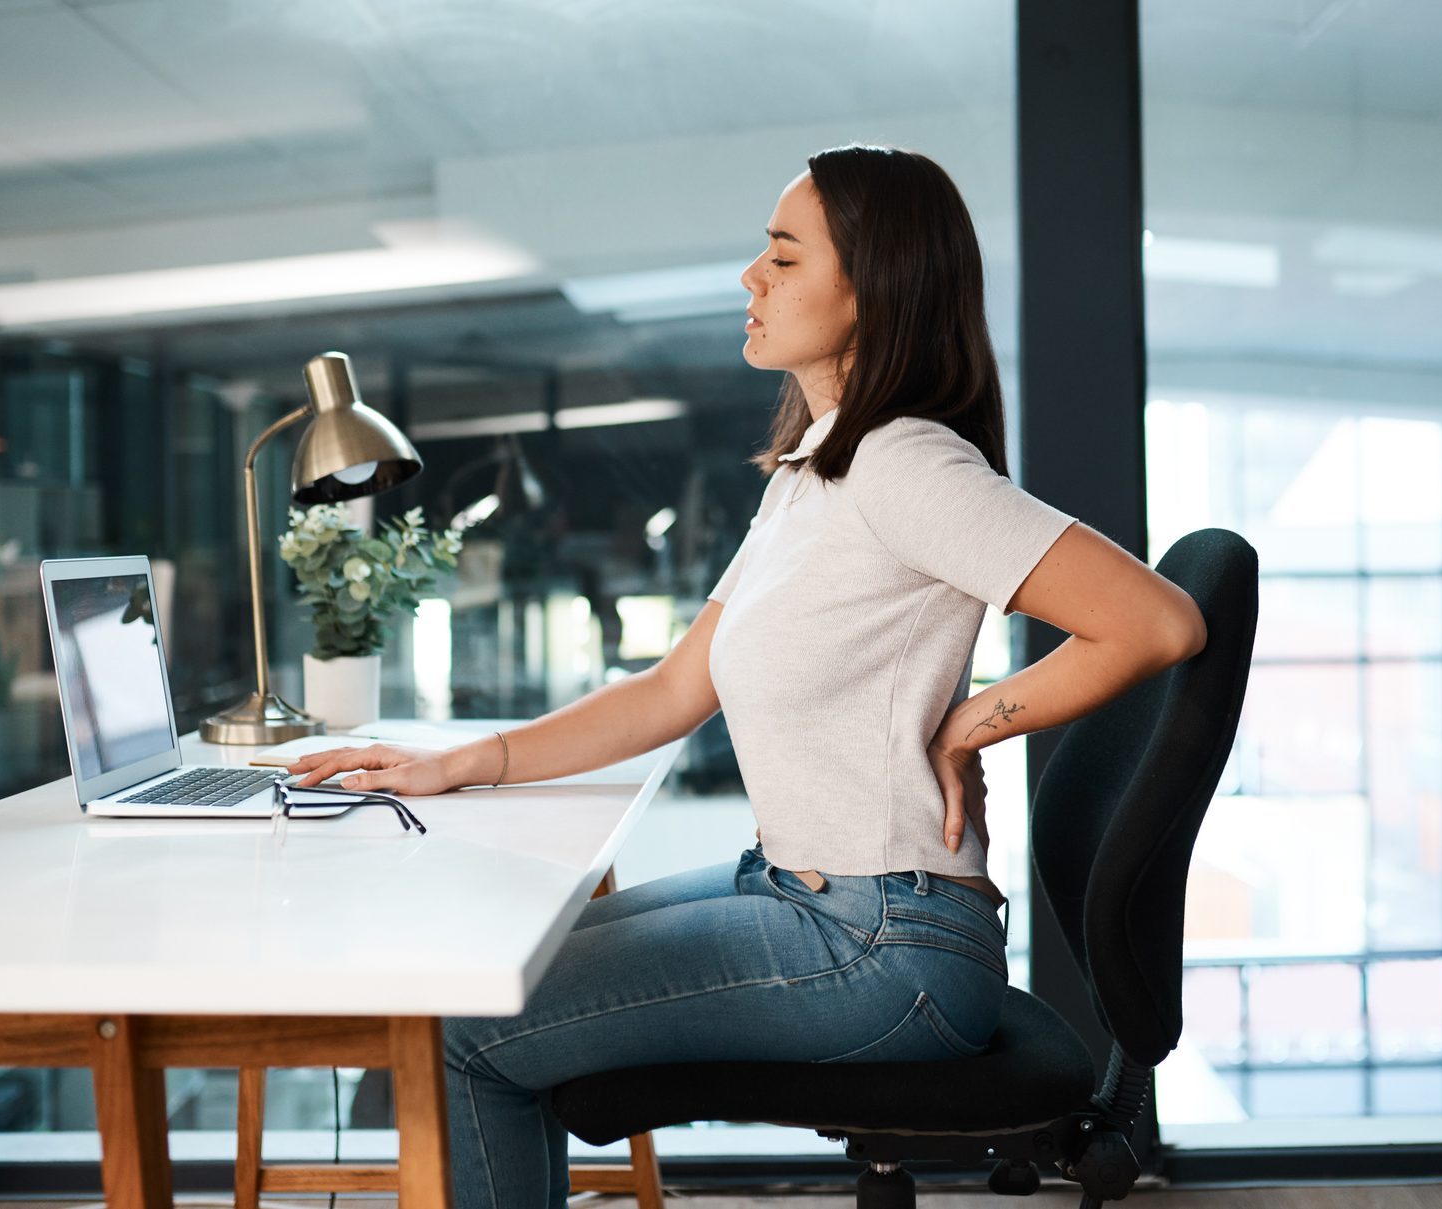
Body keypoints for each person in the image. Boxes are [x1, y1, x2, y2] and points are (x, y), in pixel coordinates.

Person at [285, 143, 1206, 1209]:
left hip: (880, 945)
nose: (747, 280)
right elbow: (675, 689)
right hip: (801, 895)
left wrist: (970, 727)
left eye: (780, 257)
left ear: (875, 288)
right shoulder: (816, 468)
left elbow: (1154, 621)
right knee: (492, 964)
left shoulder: (907, 465)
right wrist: (461, 762)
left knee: (463, 1032)